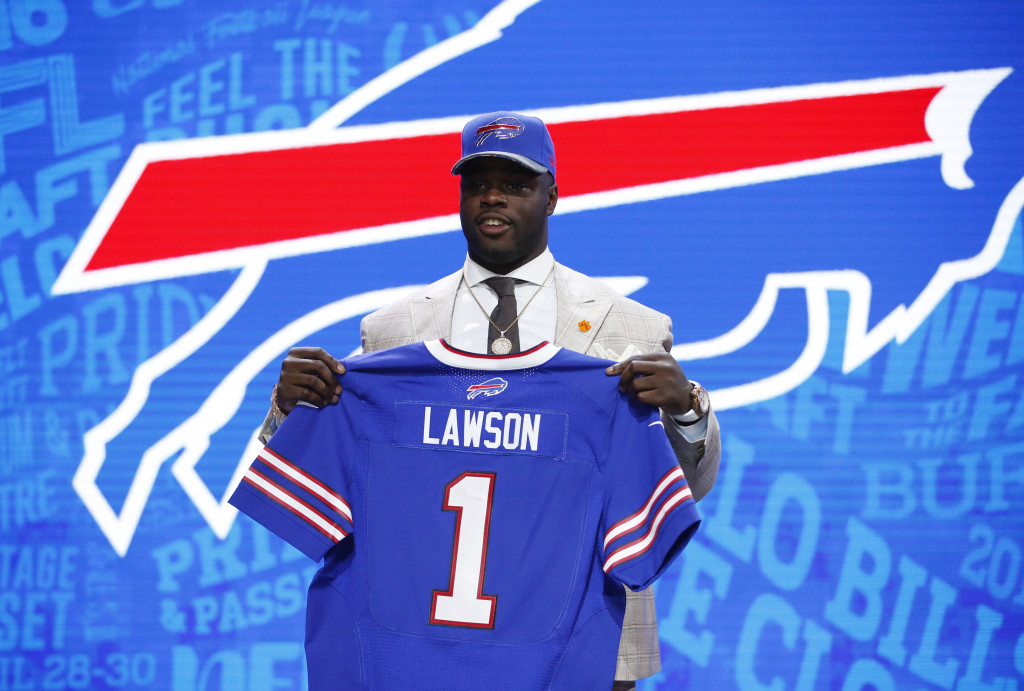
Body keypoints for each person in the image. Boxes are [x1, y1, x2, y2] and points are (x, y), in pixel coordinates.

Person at [257, 111, 721, 690]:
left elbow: (685, 487)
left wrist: (687, 410)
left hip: (583, 647)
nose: (492, 199)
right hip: (419, 646)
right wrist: (287, 409)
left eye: (515, 185)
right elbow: (335, 473)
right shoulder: (395, 329)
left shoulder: (630, 327)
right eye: (476, 186)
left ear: (552, 195)